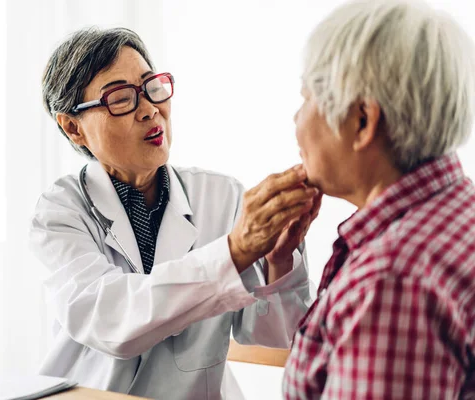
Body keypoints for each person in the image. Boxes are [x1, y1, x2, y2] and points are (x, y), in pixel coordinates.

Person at [30, 27, 320, 399]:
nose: (150, 109)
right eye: (120, 99)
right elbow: (112, 321)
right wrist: (233, 253)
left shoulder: (222, 195)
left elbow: (274, 334)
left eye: (152, 87)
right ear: (73, 127)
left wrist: (280, 265)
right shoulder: (60, 212)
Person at [283, 0, 475, 398]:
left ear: (363, 121)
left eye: (305, 99)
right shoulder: (459, 211)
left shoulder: (392, 281)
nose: (296, 120)